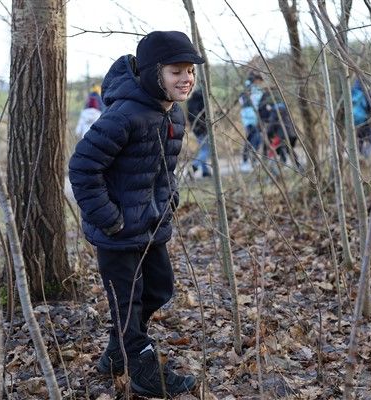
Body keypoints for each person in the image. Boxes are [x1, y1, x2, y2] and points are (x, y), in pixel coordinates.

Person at [68, 30, 204, 398]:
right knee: (127, 304)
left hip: (151, 225)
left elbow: (163, 170)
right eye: (176, 71)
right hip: (117, 231)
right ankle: (142, 369)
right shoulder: (124, 115)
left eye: (190, 71)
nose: (186, 78)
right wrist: (109, 218)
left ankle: (117, 351)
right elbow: (82, 167)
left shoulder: (173, 113)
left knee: (160, 288)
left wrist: (169, 199)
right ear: (153, 73)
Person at [258, 87, 301, 169]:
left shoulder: (275, 111)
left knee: (281, 147)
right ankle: (297, 166)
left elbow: (271, 126)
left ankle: (282, 165)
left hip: (283, 135)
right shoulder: (286, 110)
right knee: (288, 149)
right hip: (292, 134)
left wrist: (268, 135)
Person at [238, 71, 264, 172]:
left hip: (253, 118)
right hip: (250, 118)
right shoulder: (250, 88)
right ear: (256, 79)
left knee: (256, 140)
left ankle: (252, 161)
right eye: (259, 81)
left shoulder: (252, 88)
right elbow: (251, 103)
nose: (260, 83)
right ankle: (246, 161)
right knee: (251, 140)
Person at [186, 88, 211, 177]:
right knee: (206, 150)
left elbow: (189, 116)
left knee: (203, 149)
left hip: (195, 129)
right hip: (203, 129)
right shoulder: (203, 100)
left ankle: (205, 171)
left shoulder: (190, 101)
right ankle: (194, 166)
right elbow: (206, 115)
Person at [351, 79, 371, 157]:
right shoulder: (368, 92)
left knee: (360, 139)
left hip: (356, 120)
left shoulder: (352, 92)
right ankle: (366, 156)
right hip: (366, 120)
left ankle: (360, 156)